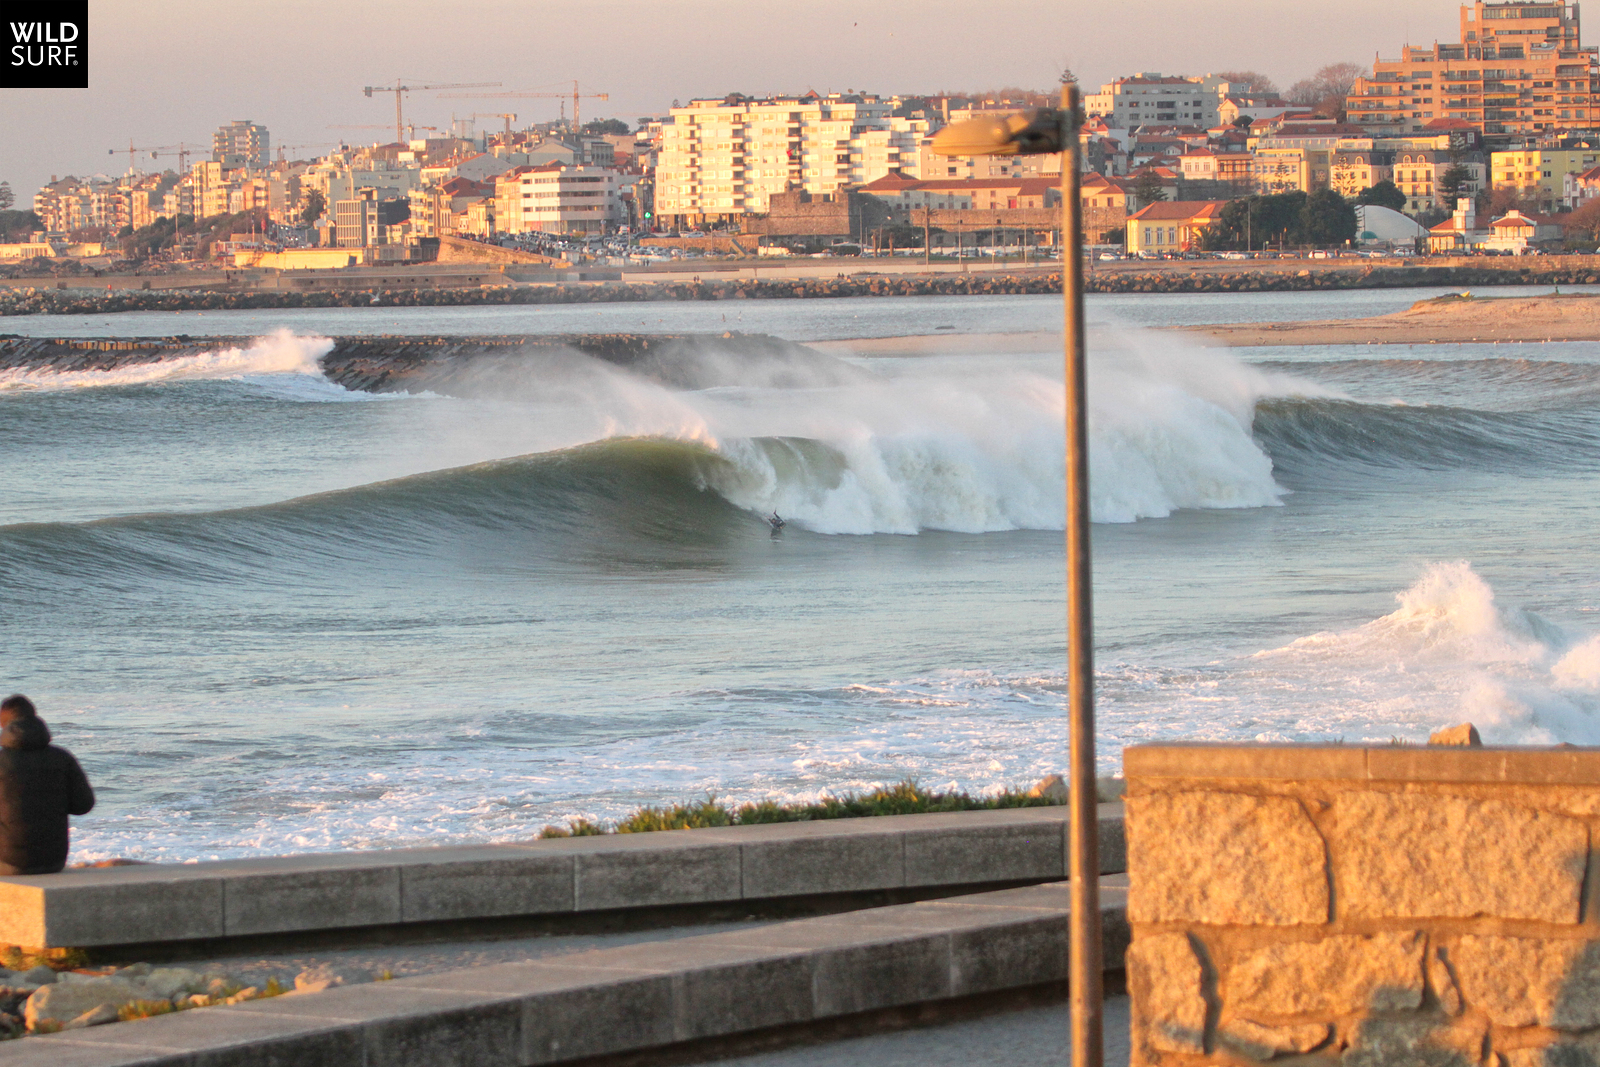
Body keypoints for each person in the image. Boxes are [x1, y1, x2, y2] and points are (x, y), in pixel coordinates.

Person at [0, 695, 94, 875]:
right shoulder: (62, 758)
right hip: (54, 861)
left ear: (4, 725)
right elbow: (83, 805)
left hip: (9, 863)